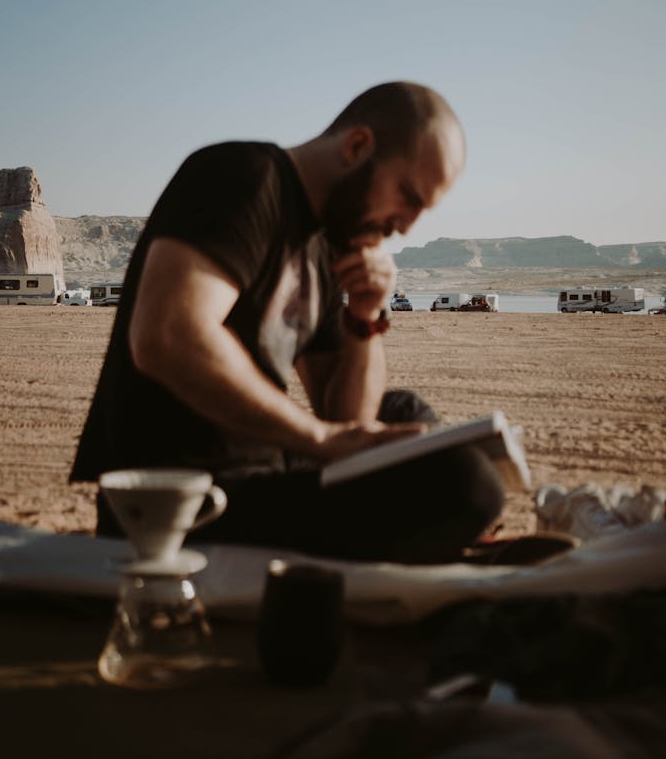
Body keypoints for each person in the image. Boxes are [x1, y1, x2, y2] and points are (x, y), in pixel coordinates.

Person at [70, 82, 504, 562]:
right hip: (182, 496)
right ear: (357, 146)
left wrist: (365, 317)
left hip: (261, 475)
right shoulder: (244, 176)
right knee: (466, 483)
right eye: (408, 195)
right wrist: (316, 439)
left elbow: (347, 419)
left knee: (403, 414)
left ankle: (443, 535)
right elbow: (168, 336)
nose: (407, 225)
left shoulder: (323, 245)